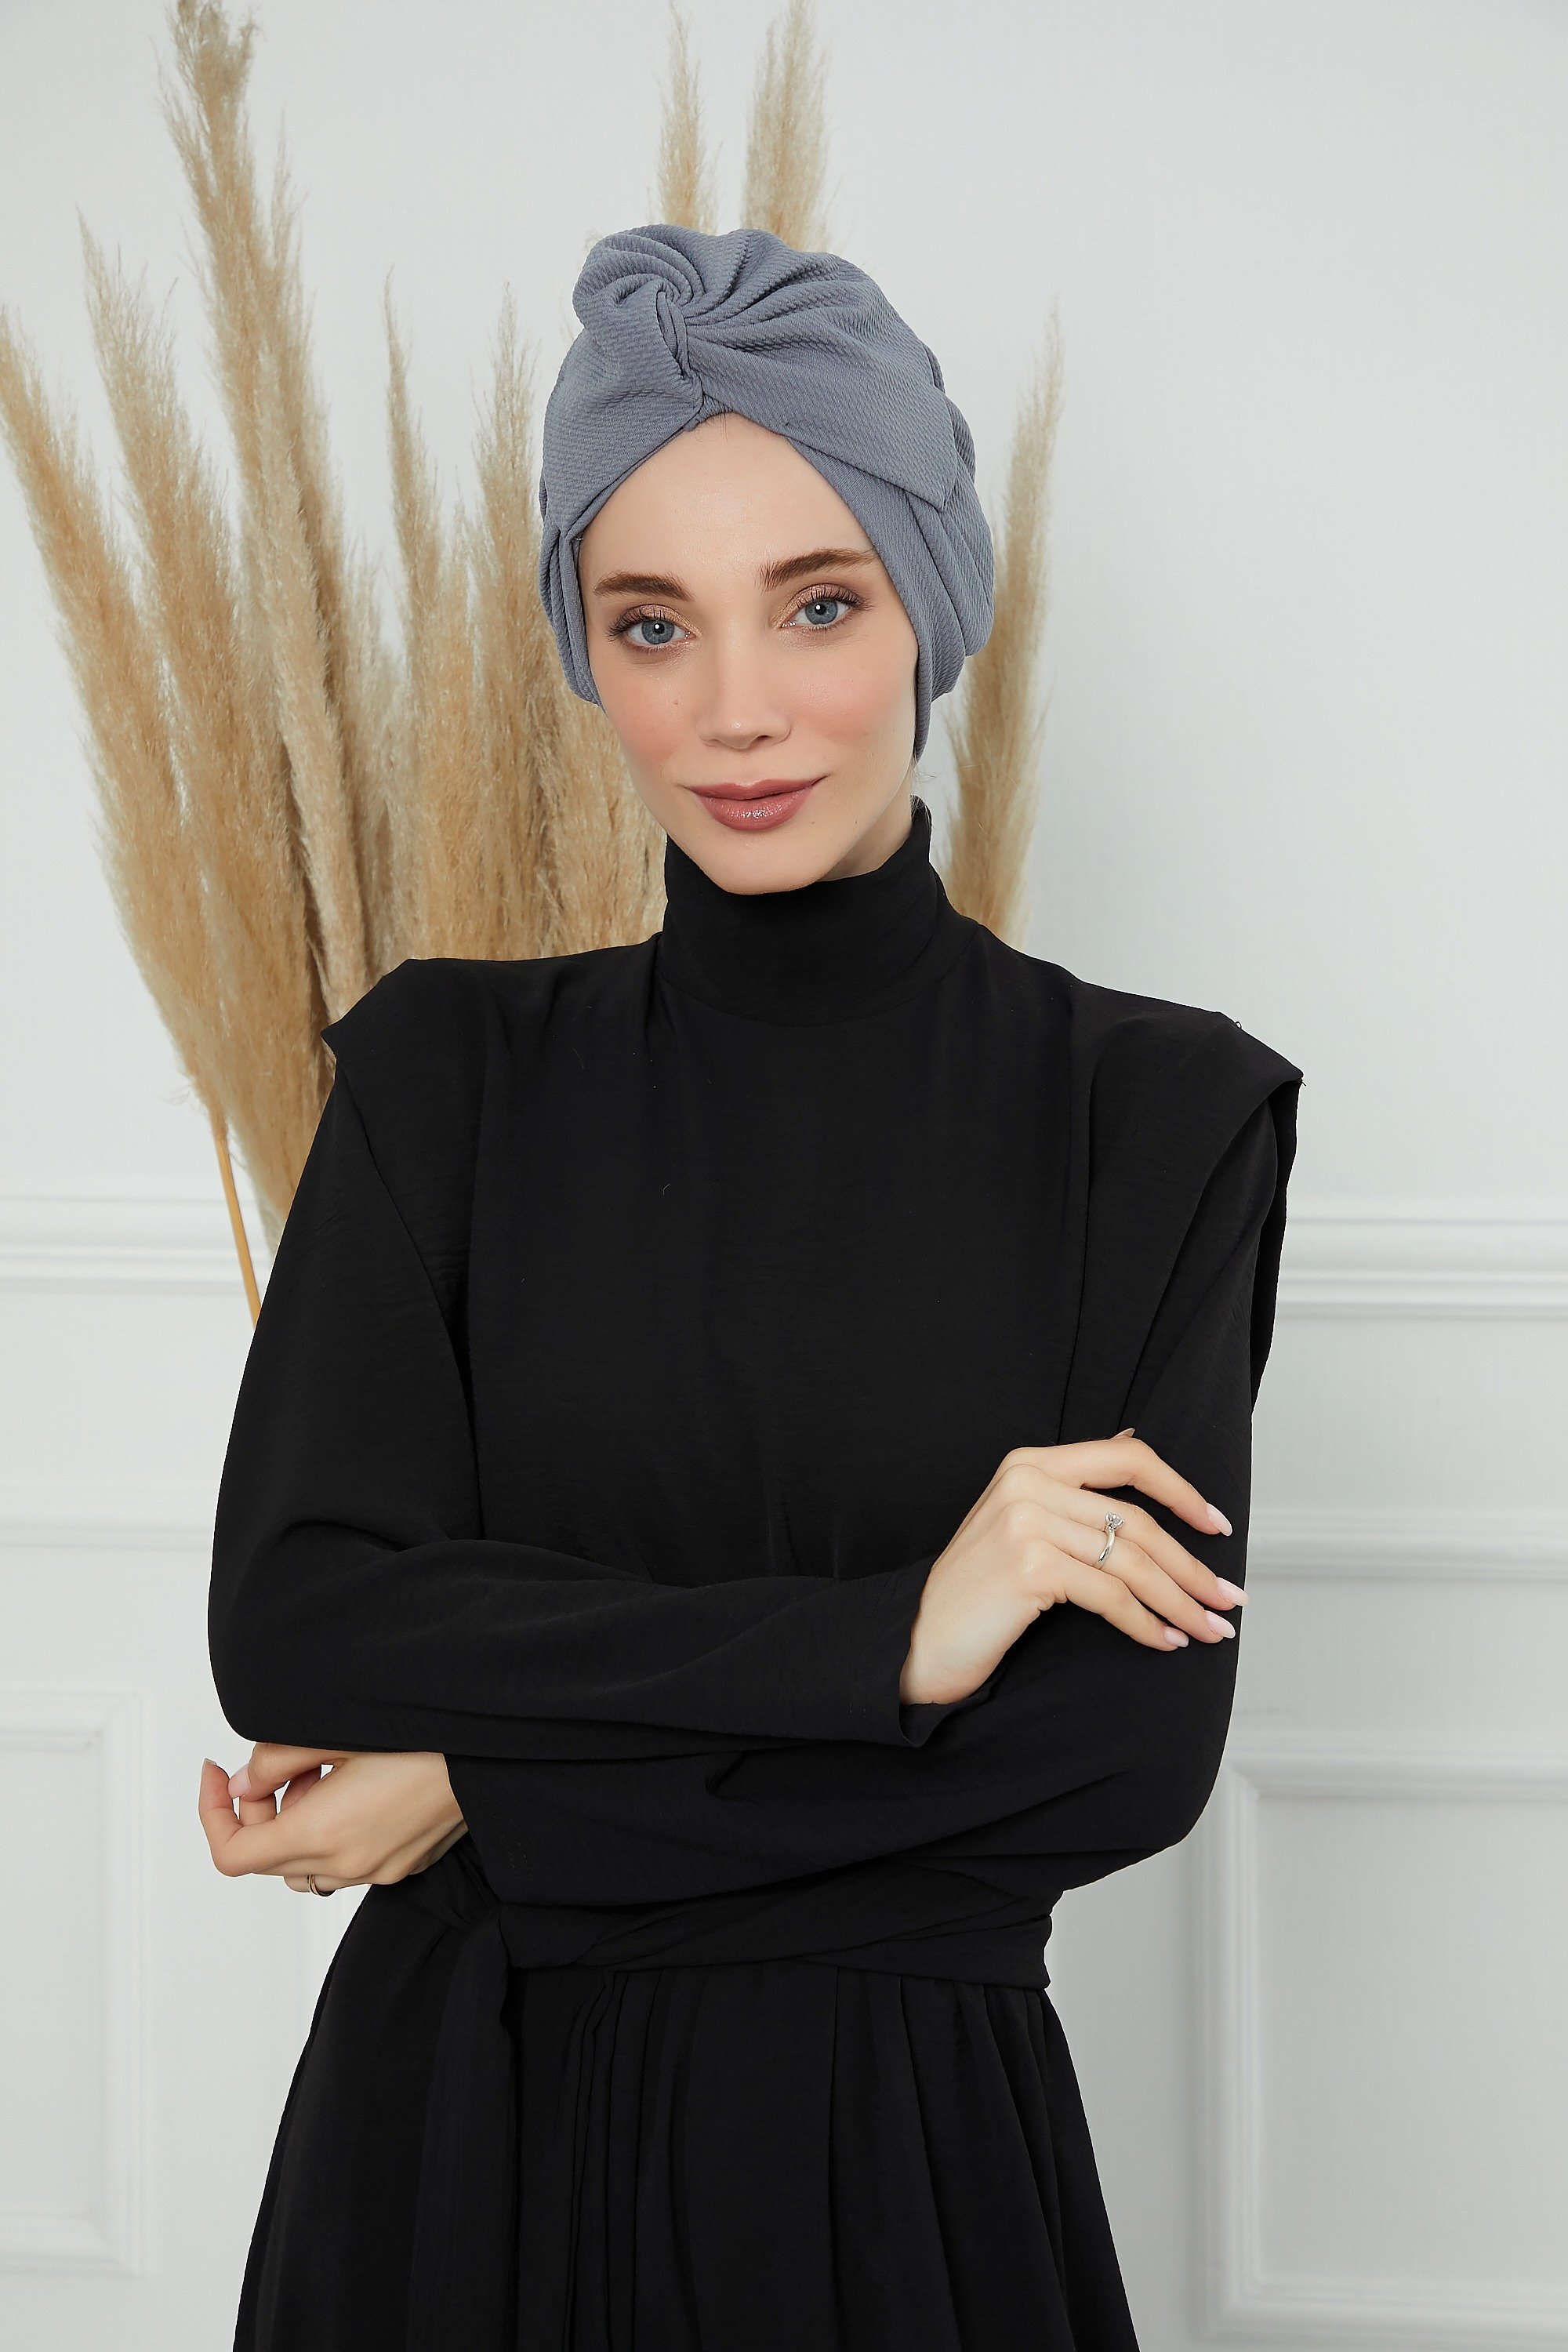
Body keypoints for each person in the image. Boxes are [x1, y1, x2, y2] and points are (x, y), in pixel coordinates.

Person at [200, 224, 1302, 2352]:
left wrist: (493, 1785)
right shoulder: (446, 1073)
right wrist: (901, 1638)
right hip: (457, 2149)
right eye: (651, 624)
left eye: (817, 604)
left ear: (930, 608)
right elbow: (300, 1619)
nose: (732, 711)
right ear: (587, 652)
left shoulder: (1155, 1115)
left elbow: (1112, 1757)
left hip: (899, 2165)